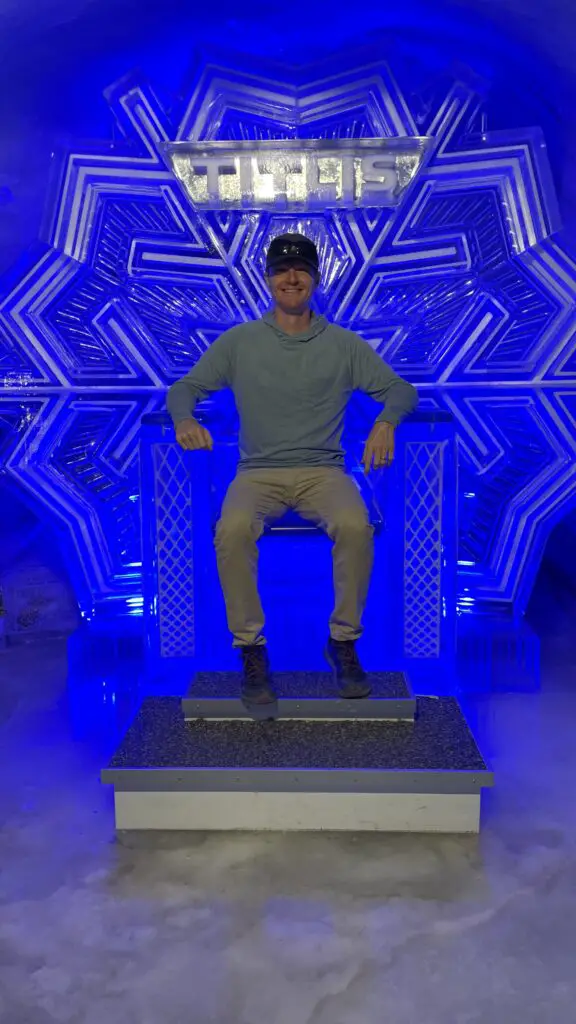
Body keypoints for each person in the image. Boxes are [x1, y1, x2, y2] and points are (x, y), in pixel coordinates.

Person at [167, 233, 418, 710]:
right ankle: (251, 651)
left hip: (323, 472)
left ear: (315, 280)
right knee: (233, 528)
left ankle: (343, 642)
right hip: (257, 473)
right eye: (282, 270)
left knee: (355, 526)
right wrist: (184, 418)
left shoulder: (344, 345)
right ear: (268, 280)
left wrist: (385, 422)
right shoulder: (240, 342)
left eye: (301, 269)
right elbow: (185, 388)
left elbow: (401, 390)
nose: (291, 277)